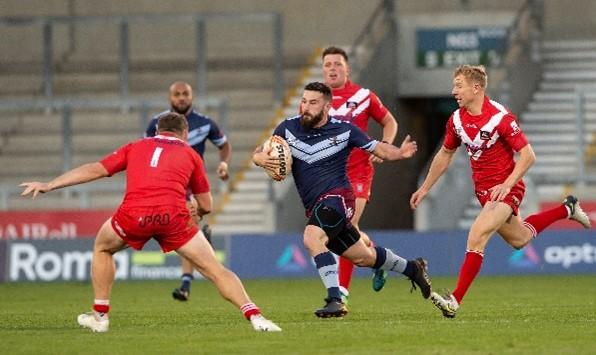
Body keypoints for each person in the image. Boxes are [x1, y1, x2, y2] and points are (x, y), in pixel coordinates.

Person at [20, 113, 280, 332]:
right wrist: (198, 212)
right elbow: (208, 205)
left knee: (102, 247)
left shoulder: (135, 146)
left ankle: (100, 316)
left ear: (156, 130)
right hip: (173, 217)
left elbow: (96, 169)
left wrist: (49, 185)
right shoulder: (191, 155)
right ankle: (256, 317)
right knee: (215, 269)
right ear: (185, 133)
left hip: (134, 215)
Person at [409, 65, 592, 319]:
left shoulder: (500, 118)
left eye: (459, 85)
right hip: (485, 192)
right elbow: (446, 153)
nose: (454, 91)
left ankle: (454, 300)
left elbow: (528, 155)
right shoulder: (457, 120)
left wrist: (507, 184)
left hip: (507, 188)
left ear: (476, 88)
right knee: (520, 239)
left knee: (476, 235)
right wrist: (426, 187)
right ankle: (567, 208)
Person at [253, 82, 431, 318]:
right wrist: (261, 160)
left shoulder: (345, 130)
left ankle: (335, 299)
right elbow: (259, 152)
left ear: (327, 106)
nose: (305, 107)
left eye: (313, 102)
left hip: (339, 198)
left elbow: (378, 148)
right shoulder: (286, 129)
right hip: (316, 205)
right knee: (363, 257)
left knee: (312, 237)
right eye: (304, 101)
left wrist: (399, 152)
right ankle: (412, 268)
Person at [321, 46, 399, 301]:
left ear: (347, 68)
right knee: (347, 230)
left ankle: (341, 291)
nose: (332, 68)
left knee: (345, 226)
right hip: (329, 177)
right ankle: (377, 258)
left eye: (337, 64)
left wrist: (384, 145)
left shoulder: (364, 96)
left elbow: (390, 122)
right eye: (328, 65)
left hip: (358, 172)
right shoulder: (315, 100)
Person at [145, 81, 232, 302]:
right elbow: (145, 151)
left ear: (192, 97)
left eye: (185, 94)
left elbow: (224, 145)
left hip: (192, 183)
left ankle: (185, 283)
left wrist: (224, 164)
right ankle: (198, 250)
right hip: (165, 182)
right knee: (183, 228)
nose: (181, 98)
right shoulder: (156, 123)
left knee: (187, 225)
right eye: (177, 94)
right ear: (170, 97)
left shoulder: (204, 123)